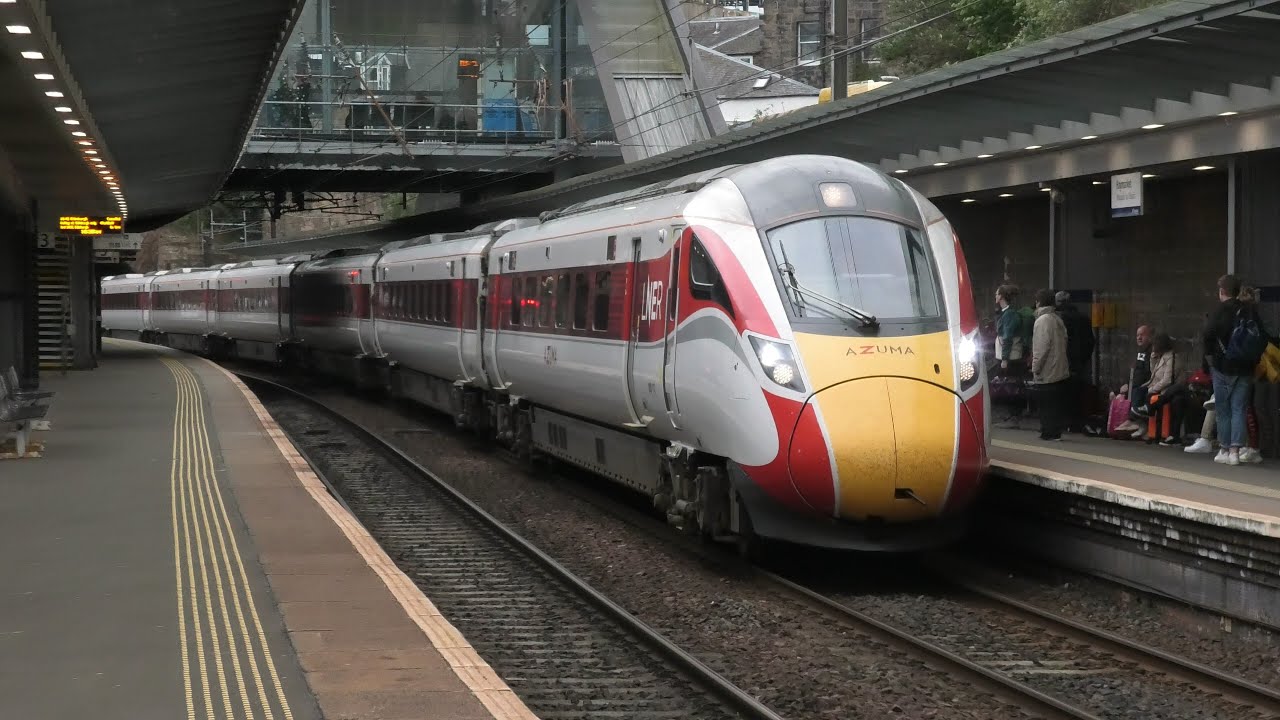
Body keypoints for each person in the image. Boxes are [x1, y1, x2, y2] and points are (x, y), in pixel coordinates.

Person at [1202, 275, 1269, 466]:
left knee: (1224, 410)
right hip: (1246, 368)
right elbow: (1262, 338)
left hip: (1223, 366)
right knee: (1239, 408)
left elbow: (1207, 335)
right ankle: (1235, 452)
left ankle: (1224, 449)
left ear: (1222, 291)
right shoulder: (1249, 311)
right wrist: (1254, 359)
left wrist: (1209, 361)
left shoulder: (1220, 310)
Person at [1031, 288, 1070, 441]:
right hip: (1060, 366)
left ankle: (1048, 432)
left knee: (1046, 404)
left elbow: (1041, 347)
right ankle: (1055, 431)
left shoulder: (1042, 321)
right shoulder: (1057, 319)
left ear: (1039, 302)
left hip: (1047, 369)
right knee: (1055, 403)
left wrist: (1035, 367)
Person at [1055, 291, 1096, 433]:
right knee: (1079, 392)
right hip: (1081, 361)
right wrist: (1084, 357)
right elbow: (1091, 341)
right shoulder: (1084, 318)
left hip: (1065, 360)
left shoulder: (1060, 319)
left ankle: (1066, 421)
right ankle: (1078, 422)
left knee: (1063, 392)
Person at [1114, 324, 1154, 433]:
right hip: (1133, 384)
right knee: (1116, 394)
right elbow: (1134, 371)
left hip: (1144, 386)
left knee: (1137, 391)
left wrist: (1134, 384)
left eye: (1142, 335)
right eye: (1137, 335)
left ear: (1149, 337)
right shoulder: (1139, 352)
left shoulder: (1151, 353)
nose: (1139, 338)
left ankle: (1134, 421)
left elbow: (1148, 373)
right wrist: (1127, 383)